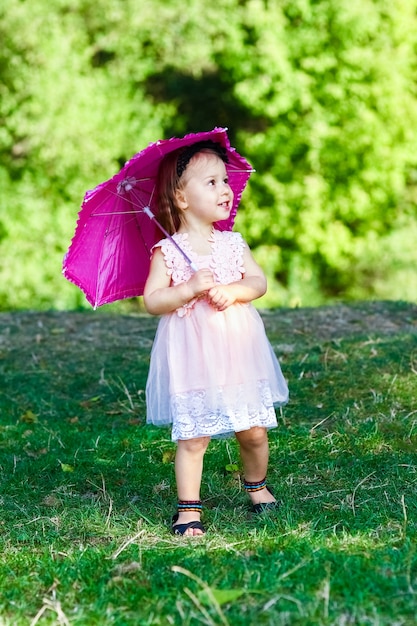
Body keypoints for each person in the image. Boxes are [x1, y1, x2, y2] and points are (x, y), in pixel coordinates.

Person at [143, 140, 289, 536]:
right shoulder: (167, 251)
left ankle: (257, 486)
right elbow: (153, 300)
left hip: (238, 352)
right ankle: (189, 508)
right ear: (181, 197)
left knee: (254, 431)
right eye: (211, 182)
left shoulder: (232, 243)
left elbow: (257, 282)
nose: (225, 189)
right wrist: (188, 288)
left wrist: (235, 291)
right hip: (193, 354)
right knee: (193, 436)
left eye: (225, 180)